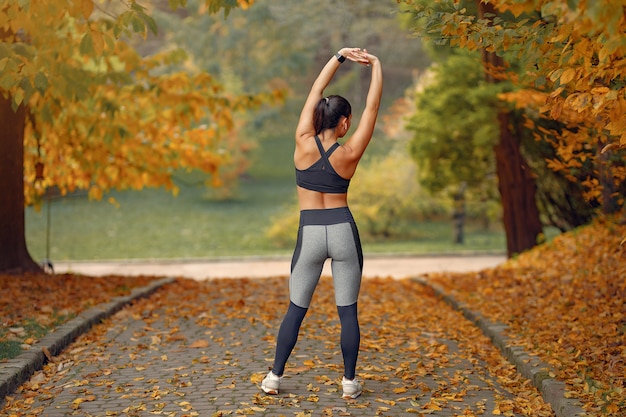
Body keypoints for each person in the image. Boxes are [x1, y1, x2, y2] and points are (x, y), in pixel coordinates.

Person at [261, 47, 383, 400]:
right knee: (348, 312)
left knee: (296, 310)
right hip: (343, 229)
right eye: (349, 120)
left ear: (317, 118)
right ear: (344, 123)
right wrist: (375, 65)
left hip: (310, 232)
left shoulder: (301, 143)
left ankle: (274, 377)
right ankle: (348, 384)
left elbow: (315, 91)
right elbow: (373, 108)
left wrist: (339, 56)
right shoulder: (350, 152)